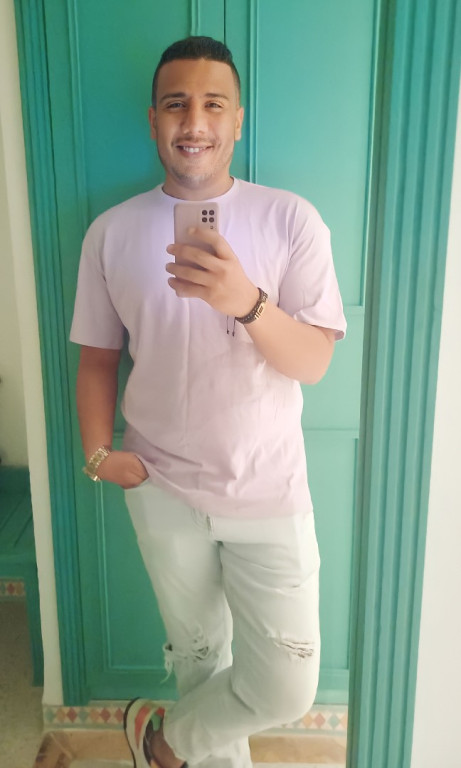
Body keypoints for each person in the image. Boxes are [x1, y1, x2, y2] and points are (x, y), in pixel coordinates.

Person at [70, 36, 346, 768]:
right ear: (153, 120)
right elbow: (97, 358)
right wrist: (99, 455)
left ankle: (162, 745)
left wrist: (246, 302)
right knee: (199, 660)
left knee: (285, 685)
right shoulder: (112, 232)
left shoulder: (290, 220)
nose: (194, 122)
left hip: (268, 490)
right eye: (176, 104)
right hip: (160, 487)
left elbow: (314, 361)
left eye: (213, 104)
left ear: (238, 120)